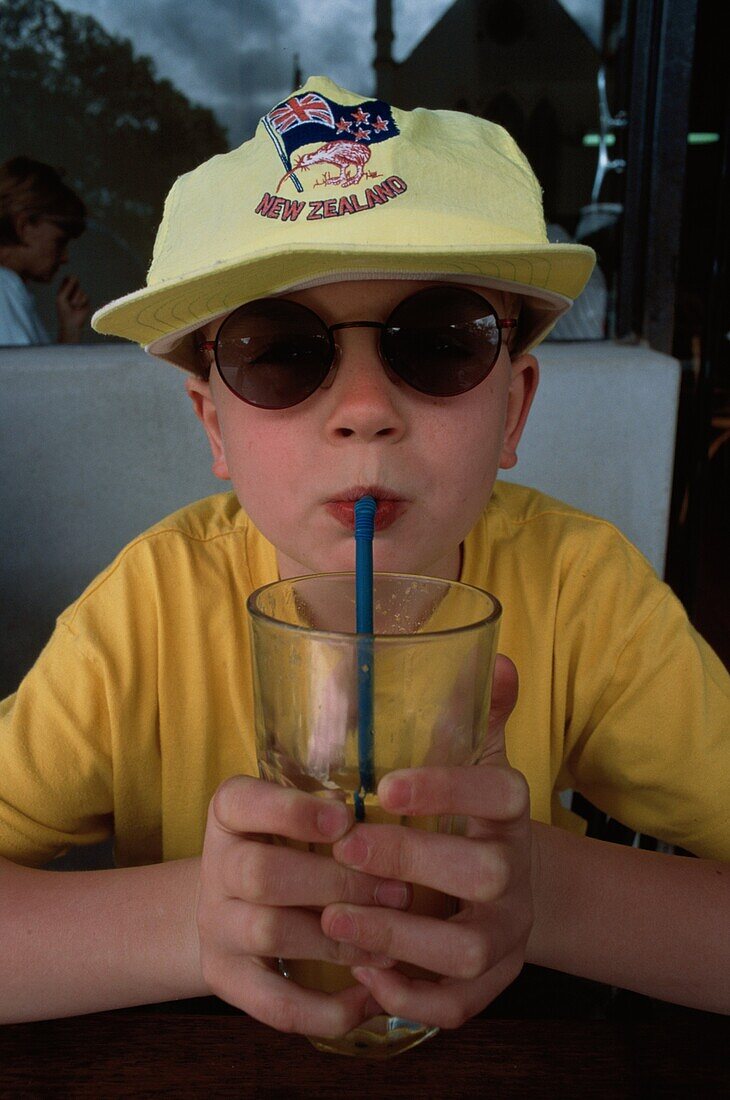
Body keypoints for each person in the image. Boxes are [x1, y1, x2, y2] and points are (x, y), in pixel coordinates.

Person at [0, 77, 728, 1033]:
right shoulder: (148, 612)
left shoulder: (581, 590)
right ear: (213, 427)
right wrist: (192, 922)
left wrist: (546, 893)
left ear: (513, 405)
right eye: (279, 351)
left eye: (438, 342)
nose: (365, 411)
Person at [0, 156, 89, 345]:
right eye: (59, 242)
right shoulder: (3, 291)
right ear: (23, 227)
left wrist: (69, 331)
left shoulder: (11, 290)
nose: (64, 257)